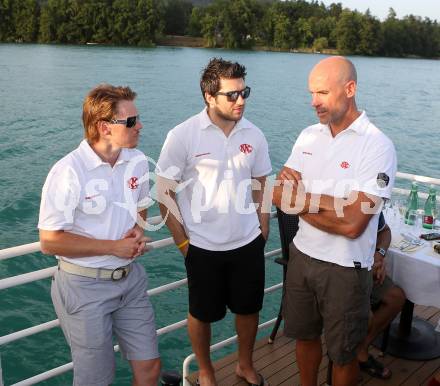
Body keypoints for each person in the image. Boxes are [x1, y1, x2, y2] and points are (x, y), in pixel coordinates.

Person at [272, 56, 397, 386]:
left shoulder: (377, 146)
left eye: (323, 92)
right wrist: (335, 206)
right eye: (312, 93)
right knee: (305, 337)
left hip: (345, 268)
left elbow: (355, 224)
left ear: (350, 89)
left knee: (344, 353)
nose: (314, 102)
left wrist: (302, 201)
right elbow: (277, 195)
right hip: (301, 256)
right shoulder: (308, 136)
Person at [156, 58, 272, 386]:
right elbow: (164, 193)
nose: (241, 100)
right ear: (209, 96)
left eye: (244, 92)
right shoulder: (183, 136)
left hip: (248, 242)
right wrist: (182, 243)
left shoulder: (254, 134)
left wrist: (264, 225)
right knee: (201, 314)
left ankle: (244, 365)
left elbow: (264, 181)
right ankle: (205, 371)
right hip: (202, 246)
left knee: (249, 310)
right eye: (232, 95)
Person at [38, 84, 160, 386]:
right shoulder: (69, 171)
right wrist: (113, 247)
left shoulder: (137, 160)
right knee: (96, 378)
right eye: (131, 121)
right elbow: (49, 241)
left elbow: (142, 202)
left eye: (137, 118)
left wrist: (138, 228)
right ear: (104, 127)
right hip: (83, 286)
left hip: (130, 281)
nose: (140, 125)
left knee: (150, 367)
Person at [357, 212, 406, 379]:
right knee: (364, 317)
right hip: (340, 273)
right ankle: (345, 359)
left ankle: (361, 350)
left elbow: (385, 231)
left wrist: (379, 255)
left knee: (396, 298)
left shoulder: (371, 197)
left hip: (366, 268)